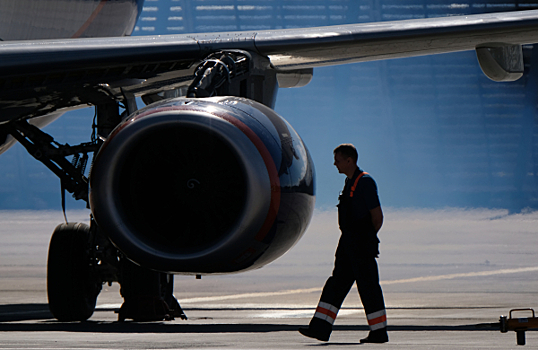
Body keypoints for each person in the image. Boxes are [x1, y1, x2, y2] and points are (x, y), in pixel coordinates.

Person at [299, 143, 388, 344]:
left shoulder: (365, 182)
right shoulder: (350, 182)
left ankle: (379, 332)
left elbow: (377, 217)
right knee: (336, 284)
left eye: (338, 160)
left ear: (350, 161)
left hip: (360, 245)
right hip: (348, 243)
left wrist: (365, 238)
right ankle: (320, 328)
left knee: (369, 288)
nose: (334, 164)